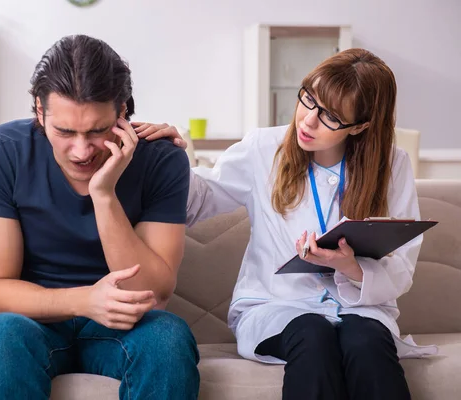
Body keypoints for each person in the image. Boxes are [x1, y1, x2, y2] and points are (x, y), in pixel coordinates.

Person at [136, 48, 437, 400]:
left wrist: (351, 267)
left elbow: (401, 269)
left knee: (367, 343)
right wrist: (170, 158)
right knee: (313, 334)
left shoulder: (392, 165)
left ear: (361, 126)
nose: (308, 120)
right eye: (308, 99)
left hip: (361, 309)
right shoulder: (264, 148)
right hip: (276, 306)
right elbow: (197, 201)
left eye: (330, 117)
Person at [0, 34, 199, 400]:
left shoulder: (160, 159)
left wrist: (104, 194)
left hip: (123, 323)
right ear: (39, 111)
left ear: (122, 112)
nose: (81, 151)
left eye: (98, 131)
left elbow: (152, 293)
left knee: (168, 337)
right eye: (64, 132)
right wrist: (85, 300)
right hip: (28, 322)